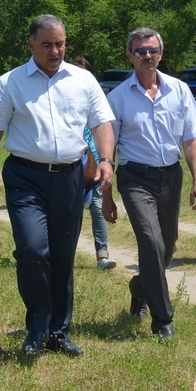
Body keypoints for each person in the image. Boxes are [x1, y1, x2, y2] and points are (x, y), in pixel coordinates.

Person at [0, 15, 115, 357]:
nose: (56, 51)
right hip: (25, 178)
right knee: (34, 250)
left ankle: (59, 332)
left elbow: (103, 123)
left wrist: (107, 160)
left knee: (63, 257)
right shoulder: (10, 83)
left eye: (61, 43)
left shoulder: (83, 80)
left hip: (70, 176)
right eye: (48, 44)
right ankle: (37, 326)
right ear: (31, 45)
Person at [102, 27, 196, 342]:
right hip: (135, 178)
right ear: (130, 55)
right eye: (139, 51)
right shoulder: (118, 97)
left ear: (161, 53)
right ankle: (163, 321)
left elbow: (190, 140)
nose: (146, 56)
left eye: (152, 50)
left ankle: (140, 286)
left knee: (168, 245)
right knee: (151, 242)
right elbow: (108, 151)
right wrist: (107, 198)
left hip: (170, 176)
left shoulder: (178, 90)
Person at [72, 57, 117, 270]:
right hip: (71, 164)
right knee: (71, 213)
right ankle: (64, 253)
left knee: (98, 209)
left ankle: (102, 256)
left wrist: (105, 162)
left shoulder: (99, 101)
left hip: (97, 164)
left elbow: (106, 134)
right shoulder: (64, 99)